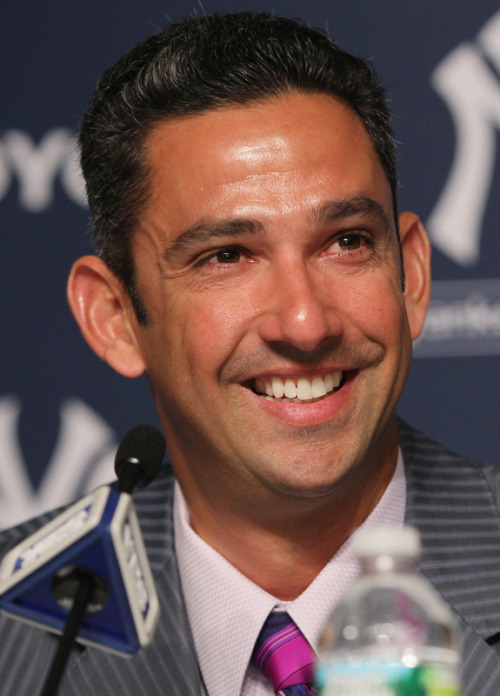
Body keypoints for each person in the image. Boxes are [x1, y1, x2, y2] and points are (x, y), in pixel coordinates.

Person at [1, 11, 500, 696]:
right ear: (114, 318)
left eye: (347, 242)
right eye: (227, 256)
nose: (305, 321)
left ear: (411, 274)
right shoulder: (19, 630)